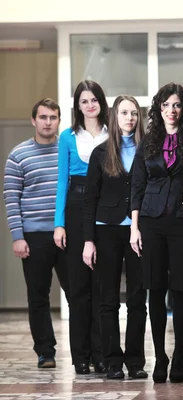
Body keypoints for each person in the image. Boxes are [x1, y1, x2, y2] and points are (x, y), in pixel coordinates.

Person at [130, 82, 183, 383]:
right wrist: (134, 227)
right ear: (159, 109)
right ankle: (160, 356)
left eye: (177, 105)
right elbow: (137, 186)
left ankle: (179, 354)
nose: (171, 111)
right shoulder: (148, 142)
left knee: (180, 290)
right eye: (166, 105)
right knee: (154, 290)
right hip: (151, 222)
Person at [81, 95, 148, 379]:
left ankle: (135, 362)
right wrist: (88, 240)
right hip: (105, 228)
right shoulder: (100, 153)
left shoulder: (147, 151)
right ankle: (112, 361)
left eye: (134, 113)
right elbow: (89, 199)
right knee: (108, 299)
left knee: (137, 299)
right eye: (124, 113)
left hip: (138, 231)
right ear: (114, 116)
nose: (130, 118)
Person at [3, 99, 70, 369]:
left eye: (53, 117)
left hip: (66, 234)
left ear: (59, 121)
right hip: (34, 237)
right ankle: (46, 352)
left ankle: (87, 351)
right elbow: (11, 199)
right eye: (43, 117)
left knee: (79, 294)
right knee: (38, 296)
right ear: (33, 121)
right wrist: (18, 237)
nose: (47, 122)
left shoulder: (67, 152)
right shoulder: (18, 155)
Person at [54, 80, 109, 375]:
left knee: (101, 287)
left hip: (104, 209)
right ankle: (81, 356)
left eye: (94, 99)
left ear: (101, 102)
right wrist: (58, 223)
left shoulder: (112, 134)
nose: (90, 105)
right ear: (77, 106)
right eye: (84, 101)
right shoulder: (67, 136)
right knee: (78, 288)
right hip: (75, 211)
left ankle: (101, 354)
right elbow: (62, 181)